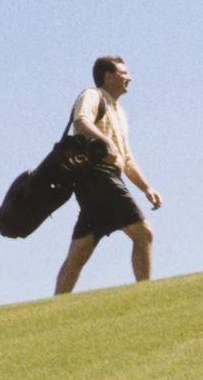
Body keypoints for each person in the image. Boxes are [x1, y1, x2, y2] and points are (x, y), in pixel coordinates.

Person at [54, 56, 163, 295]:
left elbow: (126, 157)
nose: (129, 78)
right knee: (144, 234)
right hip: (97, 175)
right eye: (124, 73)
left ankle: (55, 307)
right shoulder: (92, 95)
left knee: (79, 253)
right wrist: (104, 140)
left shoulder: (120, 112)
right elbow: (80, 121)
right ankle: (147, 296)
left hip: (106, 177)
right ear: (108, 76)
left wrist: (147, 188)